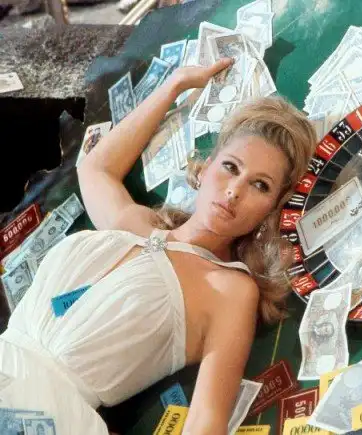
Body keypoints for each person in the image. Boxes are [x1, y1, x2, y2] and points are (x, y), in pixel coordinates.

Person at [0, 58, 317, 434]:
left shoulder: (230, 290)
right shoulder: (133, 223)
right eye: (231, 167)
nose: (234, 191)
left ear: (272, 208)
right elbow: (95, 168)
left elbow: (206, 422)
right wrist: (175, 85)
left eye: (260, 185)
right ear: (206, 167)